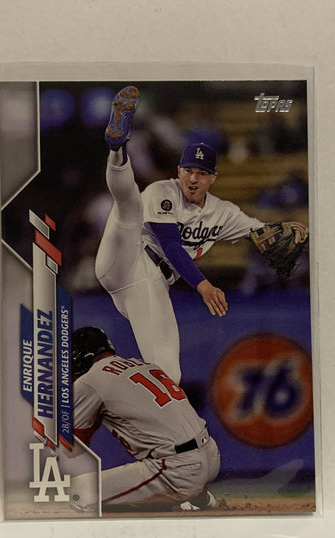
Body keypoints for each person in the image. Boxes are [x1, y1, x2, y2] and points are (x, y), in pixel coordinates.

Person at [95, 85, 266, 383]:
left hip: (148, 285)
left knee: (168, 374)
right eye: (188, 170)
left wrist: (289, 232)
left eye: (201, 173)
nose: (193, 178)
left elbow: (261, 231)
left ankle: (146, 409)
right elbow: (170, 245)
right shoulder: (162, 191)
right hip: (132, 259)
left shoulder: (223, 212)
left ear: (212, 178)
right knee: (128, 205)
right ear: (178, 170)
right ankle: (117, 149)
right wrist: (203, 286)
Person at [69, 326, 220, 512]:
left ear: (82, 357)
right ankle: (203, 500)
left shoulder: (90, 380)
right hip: (211, 454)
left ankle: (173, 502)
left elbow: (75, 446)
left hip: (177, 469)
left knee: (77, 492)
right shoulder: (144, 365)